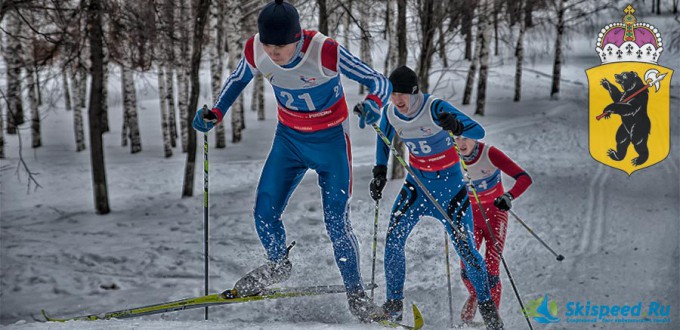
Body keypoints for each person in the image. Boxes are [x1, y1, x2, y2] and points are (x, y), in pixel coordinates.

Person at [192, 0, 391, 323]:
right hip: (289, 140)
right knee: (264, 210)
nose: (274, 53)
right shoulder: (256, 49)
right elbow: (236, 81)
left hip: (331, 144)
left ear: (298, 38)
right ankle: (277, 264)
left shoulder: (324, 50)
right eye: (268, 45)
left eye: (281, 45)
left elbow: (379, 81)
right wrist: (215, 113)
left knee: (336, 223)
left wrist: (373, 102)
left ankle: (357, 297)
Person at [369, 66, 504, 329]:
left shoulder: (434, 107)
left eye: (403, 95)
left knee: (466, 249)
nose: (398, 100)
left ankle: (489, 314)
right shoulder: (389, 112)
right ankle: (393, 306)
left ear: (415, 92)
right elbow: (384, 140)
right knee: (394, 238)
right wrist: (379, 171)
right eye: (393, 93)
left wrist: (456, 125)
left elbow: (478, 131)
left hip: (450, 191)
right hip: (417, 187)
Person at [455, 136, 533, 324]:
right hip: (470, 216)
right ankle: (477, 296)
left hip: (495, 215)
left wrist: (508, 196)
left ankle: (492, 320)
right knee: (467, 269)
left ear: (475, 138)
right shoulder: (451, 157)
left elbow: (524, 178)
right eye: (457, 138)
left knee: (491, 269)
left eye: (466, 138)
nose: (462, 143)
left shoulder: (489, 153)